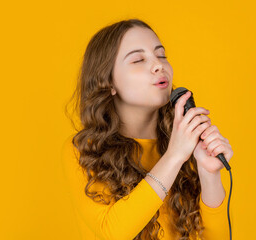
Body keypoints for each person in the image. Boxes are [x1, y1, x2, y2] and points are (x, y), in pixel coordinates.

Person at [61, 18, 234, 240]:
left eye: (161, 56)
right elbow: (112, 233)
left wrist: (209, 173)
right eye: (138, 60)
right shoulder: (82, 151)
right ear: (109, 82)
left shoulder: (184, 147)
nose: (158, 65)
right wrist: (174, 156)